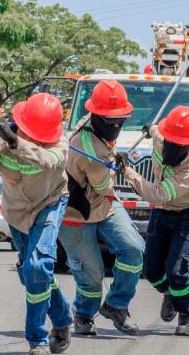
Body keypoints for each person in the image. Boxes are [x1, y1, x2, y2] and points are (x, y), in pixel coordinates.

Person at [0, 93, 74, 355]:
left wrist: (15, 143)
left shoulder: (61, 142)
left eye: (42, 136)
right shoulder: (0, 136)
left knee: (39, 265)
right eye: (32, 133)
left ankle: (37, 339)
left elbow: (48, 161)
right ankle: (62, 318)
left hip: (50, 204)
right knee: (33, 276)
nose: (38, 139)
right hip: (16, 212)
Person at [59, 80, 145, 337]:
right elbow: (102, 185)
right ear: (97, 116)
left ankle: (116, 305)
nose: (117, 126)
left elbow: (105, 192)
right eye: (112, 121)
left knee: (133, 248)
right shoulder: (88, 150)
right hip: (76, 211)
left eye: (121, 120)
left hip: (104, 204)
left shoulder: (92, 121)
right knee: (92, 274)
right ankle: (84, 314)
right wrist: (117, 167)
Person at [116, 105, 189, 337]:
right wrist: (151, 129)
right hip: (163, 211)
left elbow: (158, 193)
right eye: (169, 141)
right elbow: (156, 130)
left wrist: (128, 172)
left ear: (187, 144)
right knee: (152, 269)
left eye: (177, 145)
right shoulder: (161, 139)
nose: (170, 147)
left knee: (177, 269)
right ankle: (170, 292)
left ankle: (186, 313)